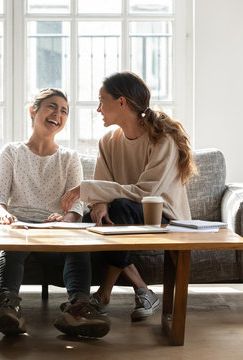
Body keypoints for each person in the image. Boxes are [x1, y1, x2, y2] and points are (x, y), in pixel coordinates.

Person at [61, 71, 197, 321]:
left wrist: (91, 190)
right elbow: (104, 184)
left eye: (102, 101)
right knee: (92, 219)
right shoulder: (108, 140)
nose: (99, 108)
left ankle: (104, 293)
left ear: (121, 102)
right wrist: (99, 203)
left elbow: (145, 193)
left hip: (164, 217)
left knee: (121, 208)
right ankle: (140, 288)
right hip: (126, 213)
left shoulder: (162, 140)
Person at [0, 88, 110, 338]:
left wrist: (66, 221)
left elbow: (77, 205)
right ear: (33, 111)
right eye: (52, 107)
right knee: (11, 244)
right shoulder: (11, 152)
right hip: (19, 226)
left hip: (56, 229)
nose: (58, 114)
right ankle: (9, 308)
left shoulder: (69, 158)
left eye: (64, 111)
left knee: (79, 242)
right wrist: (4, 216)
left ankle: (78, 309)